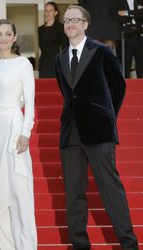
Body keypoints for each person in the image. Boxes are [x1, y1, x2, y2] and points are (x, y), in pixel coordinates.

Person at [54, 5, 139, 250]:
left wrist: (105, 116)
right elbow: (68, 93)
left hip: (99, 132)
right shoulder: (59, 59)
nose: (70, 23)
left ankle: (128, 243)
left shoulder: (101, 51)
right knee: (74, 193)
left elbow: (118, 87)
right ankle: (79, 243)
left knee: (110, 189)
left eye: (75, 19)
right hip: (70, 134)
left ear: (85, 24)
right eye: (66, 20)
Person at [0, 19, 37, 250]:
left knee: (15, 187)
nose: (3, 37)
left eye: (7, 34)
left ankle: (20, 244)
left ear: (14, 37)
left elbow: (30, 102)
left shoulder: (23, 64)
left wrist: (26, 133)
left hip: (13, 127)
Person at [38, 1, 68, 78]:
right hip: (43, 65)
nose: (48, 13)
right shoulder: (40, 29)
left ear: (55, 12)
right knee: (44, 88)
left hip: (56, 64)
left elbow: (65, 46)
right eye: (46, 10)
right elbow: (41, 47)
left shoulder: (60, 27)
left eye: (51, 10)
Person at [117, 0, 143, 78]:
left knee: (141, 65)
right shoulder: (118, 2)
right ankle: (124, 88)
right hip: (125, 37)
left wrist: (126, 13)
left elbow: (141, 14)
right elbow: (117, 16)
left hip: (140, 36)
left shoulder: (140, 1)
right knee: (125, 65)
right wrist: (136, 13)